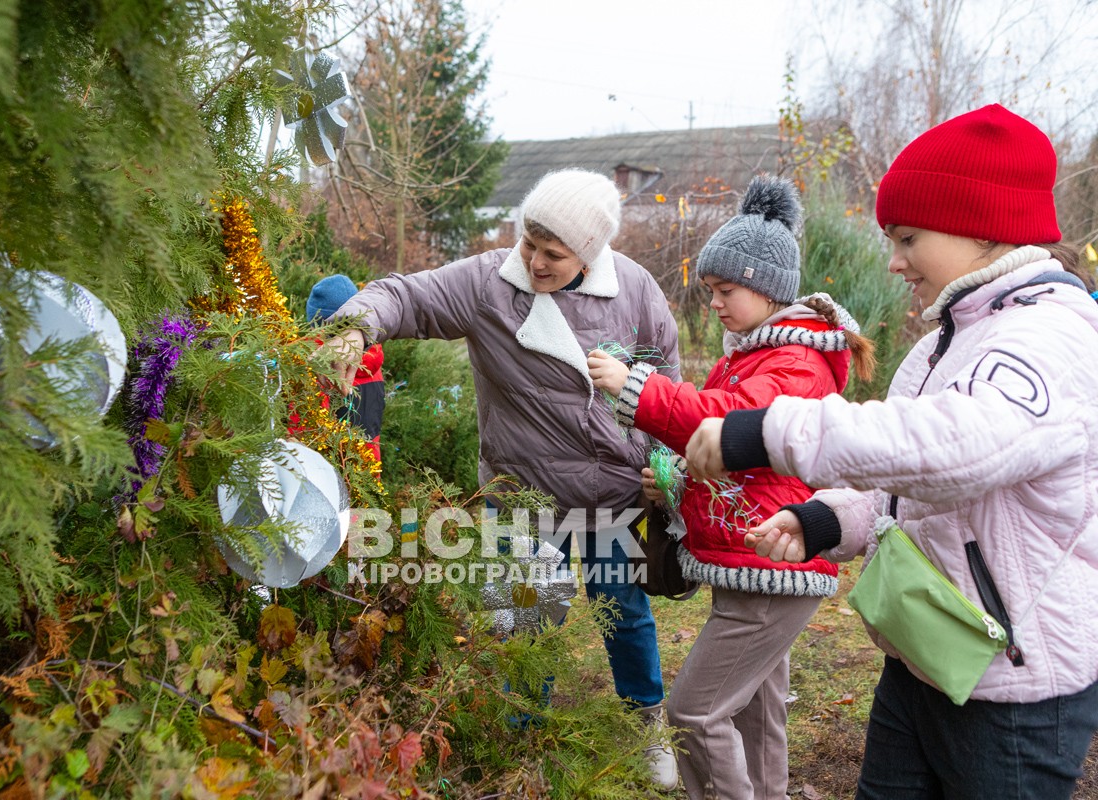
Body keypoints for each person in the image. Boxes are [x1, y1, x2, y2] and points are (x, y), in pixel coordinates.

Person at [684, 104, 1098, 799]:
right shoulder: (955, 334)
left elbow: (956, 448)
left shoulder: (1048, 339)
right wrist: (828, 519)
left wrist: (768, 429)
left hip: (1011, 692)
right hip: (928, 654)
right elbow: (911, 483)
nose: (895, 260)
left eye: (908, 237)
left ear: (981, 228)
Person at [320, 169, 682, 789]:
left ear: (590, 254)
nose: (535, 262)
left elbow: (666, 378)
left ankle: (647, 726)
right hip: (525, 499)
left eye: (554, 254)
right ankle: (517, 735)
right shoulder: (491, 285)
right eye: (528, 244)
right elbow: (405, 295)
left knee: (624, 614)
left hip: (612, 500)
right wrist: (353, 326)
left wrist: (658, 463)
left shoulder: (637, 291)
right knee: (522, 619)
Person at [588, 175, 875, 800]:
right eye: (710, 290)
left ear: (768, 289)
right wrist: (676, 480)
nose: (713, 303)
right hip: (759, 555)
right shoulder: (754, 355)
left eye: (726, 290)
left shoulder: (794, 366)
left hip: (771, 559)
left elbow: (731, 420)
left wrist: (633, 387)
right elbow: (746, 462)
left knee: (694, 711)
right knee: (756, 713)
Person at [306, 274, 385, 463]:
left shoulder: (317, 366)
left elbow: (303, 429)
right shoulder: (373, 361)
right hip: (367, 470)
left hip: (326, 473)